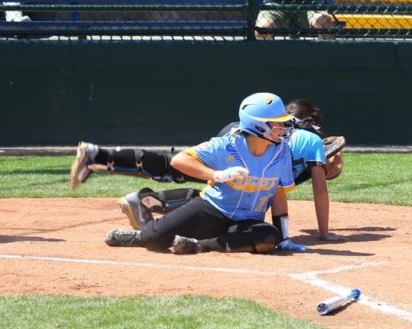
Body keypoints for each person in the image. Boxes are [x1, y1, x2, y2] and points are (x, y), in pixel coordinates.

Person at [70, 99, 344, 240]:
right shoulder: (306, 138)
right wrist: (322, 233)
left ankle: (117, 173)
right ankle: (137, 194)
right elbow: (320, 189)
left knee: (175, 168)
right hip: (245, 151)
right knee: (211, 184)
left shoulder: (276, 127)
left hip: (235, 136)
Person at [103, 92, 305, 255]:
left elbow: (279, 193)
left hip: (247, 221)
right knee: (152, 239)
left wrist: (285, 237)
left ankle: (198, 245)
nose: (282, 128)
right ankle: (138, 237)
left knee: (269, 237)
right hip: (213, 209)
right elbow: (179, 160)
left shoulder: (282, 152)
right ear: (256, 124)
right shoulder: (226, 145)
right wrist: (216, 175)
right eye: (275, 122)